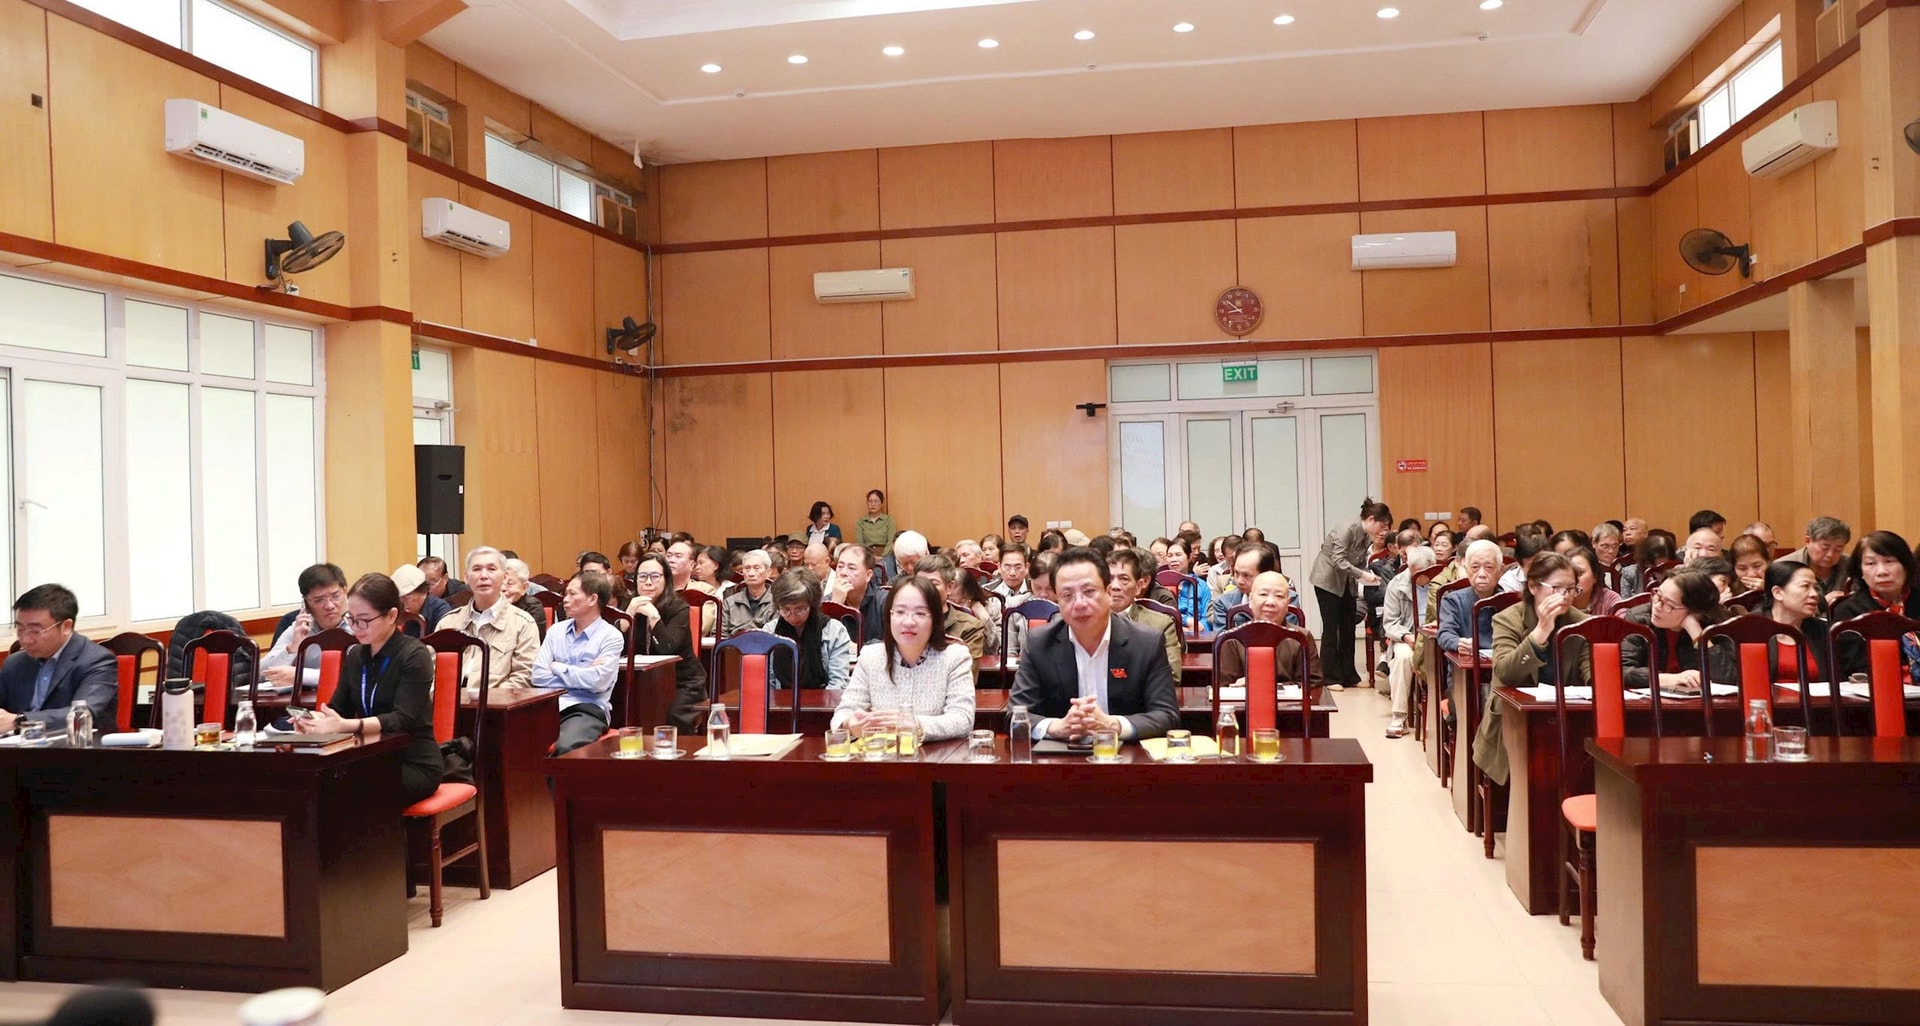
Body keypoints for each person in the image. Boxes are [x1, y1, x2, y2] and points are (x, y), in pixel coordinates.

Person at [296, 573, 443, 803]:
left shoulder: (414, 655)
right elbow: (338, 709)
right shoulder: (356, 655)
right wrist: (312, 720)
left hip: (412, 762)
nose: (356, 627)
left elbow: (401, 719)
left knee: (351, 792)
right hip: (368, 757)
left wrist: (345, 725)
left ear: (391, 615)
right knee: (314, 784)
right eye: (351, 619)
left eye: (364, 620)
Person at [1009, 547, 1180, 742]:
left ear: (1108, 592)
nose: (1079, 603)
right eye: (1067, 595)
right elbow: (1015, 715)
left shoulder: (1146, 642)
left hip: (1126, 755)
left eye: (1089, 592)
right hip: (1061, 754)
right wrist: (1058, 727)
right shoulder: (1039, 643)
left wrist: (1113, 725)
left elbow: (1167, 715)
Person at [1484, 553, 1591, 786]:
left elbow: (1592, 677)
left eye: (1571, 589)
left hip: (1566, 720)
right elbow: (1505, 673)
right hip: (1515, 721)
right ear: (1533, 586)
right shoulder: (1507, 619)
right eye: (1557, 588)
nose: (1565, 596)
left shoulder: (1581, 623)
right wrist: (1541, 631)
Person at [832, 577, 975, 741]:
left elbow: (963, 719)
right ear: (889, 616)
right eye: (900, 612)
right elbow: (842, 714)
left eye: (920, 613)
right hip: (882, 754)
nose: (908, 622)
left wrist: (914, 724)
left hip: (937, 755)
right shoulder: (871, 657)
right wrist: (850, 724)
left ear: (935, 619)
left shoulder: (955, 657)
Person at [0, 584, 116, 735]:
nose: (26, 639)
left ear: (66, 626)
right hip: (17, 745)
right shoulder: (15, 663)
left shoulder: (97, 660)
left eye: (35, 631)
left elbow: (84, 714)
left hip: (75, 745)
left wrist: (20, 721)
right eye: (20, 629)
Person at [533, 571, 626, 756]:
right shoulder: (556, 631)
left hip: (588, 709)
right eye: (565, 594)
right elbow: (538, 676)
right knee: (514, 743)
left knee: (565, 747)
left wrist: (557, 667)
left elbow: (597, 682)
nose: (565, 600)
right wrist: (583, 673)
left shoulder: (610, 636)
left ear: (592, 599)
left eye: (572, 594)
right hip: (550, 706)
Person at [1308, 499, 1390, 692]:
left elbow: (1358, 563)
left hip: (1347, 583)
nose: (1383, 532)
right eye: (1382, 526)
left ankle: (1349, 676)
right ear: (1371, 519)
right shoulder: (1347, 529)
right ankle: (1329, 677)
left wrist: (1368, 575)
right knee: (1331, 628)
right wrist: (1362, 574)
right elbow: (1338, 560)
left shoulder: (1367, 537)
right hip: (1327, 581)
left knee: (1348, 627)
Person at [625, 553, 709, 731]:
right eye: (642, 576)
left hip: (682, 682)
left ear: (666, 580)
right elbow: (614, 648)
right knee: (624, 709)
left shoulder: (678, 608)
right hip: (642, 681)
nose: (648, 582)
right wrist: (627, 617)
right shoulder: (629, 605)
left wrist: (654, 617)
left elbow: (667, 649)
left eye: (655, 576)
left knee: (670, 715)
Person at [1620, 570, 1738, 692]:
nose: (1657, 606)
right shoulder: (1639, 619)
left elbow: (1729, 678)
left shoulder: (1718, 625)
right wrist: (1671, 679)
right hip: (1649, 701)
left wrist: (1696, 632)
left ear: (1696, 612)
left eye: (1669, 605)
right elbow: (1621, 671)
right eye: (1657, 595)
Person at [439, 546, 540, 689]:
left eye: (491, 569)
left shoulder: (523, 623)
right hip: (448, 699)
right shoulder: (448, 622)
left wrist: (484, 698)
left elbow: (524, 676)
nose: (483, 576)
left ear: (504, 577)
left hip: (497, 700)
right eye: (476, 569)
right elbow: (432, 671)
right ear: (466, 578)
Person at [1215, 571, 1322, 691]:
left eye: (1279, 596)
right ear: (1251, 600)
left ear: (1287, 604)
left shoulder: (1301, 637)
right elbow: (1223, 688)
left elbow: (1312, 685)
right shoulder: (1232, 639)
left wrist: (1259, 684)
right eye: (1263, 594)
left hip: (1289, 703)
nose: (1270, 602)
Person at [1831, 530, 1919, 677]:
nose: (1881, 572)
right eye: (1870, 563)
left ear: (1906, 566)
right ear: (1860, 571)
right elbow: (1855, 667)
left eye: (1889, 561)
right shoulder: (1848, 610)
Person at [760, 571, 854, 690]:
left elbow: (838, 684)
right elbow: (768, 684)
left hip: (824, 699)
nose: (793, 616)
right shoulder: (770, 631)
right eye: (785, 610)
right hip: (781, 699)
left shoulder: (834, 631)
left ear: (812, 605)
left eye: (800, 609)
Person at [1378, 546, 1436, 738]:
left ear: (1432, 567)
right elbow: (1390, 623)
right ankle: (1399, 717)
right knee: (1403, 658)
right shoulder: (1397, 584)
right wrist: (1407, 637)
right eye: (1413, 571)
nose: (1416, 576)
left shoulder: (1441, 583)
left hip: (1437, 636)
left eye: (1422, 572)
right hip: (1408, 637)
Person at [262, 563, 351, 688]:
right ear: (306, 603)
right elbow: (261, 673)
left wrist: (301, 675)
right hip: (303, 700)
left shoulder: (361, 624)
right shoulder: (301, 627)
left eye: (335, 596)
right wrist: (293, 648)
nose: (330, 606)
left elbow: (359, 676)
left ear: (345, 592)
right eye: (319, 600)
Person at [1106, 548, 1182, 684]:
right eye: (1109, 579)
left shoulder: (1160, 624)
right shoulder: (1087, 623)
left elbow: (1172, 676)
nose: (1115, 586)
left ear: (1139, 586)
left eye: (1124, 579)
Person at [1763, 560, 1831, 683]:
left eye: (1815, 588)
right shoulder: (1752, 629)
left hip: (1816, 695)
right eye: (1805, 586)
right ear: (1778, 593)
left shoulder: (1821, 631)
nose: (1814, 594)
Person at [1438, 540, 1504, 661]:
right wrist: (1458, 643)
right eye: (1475, 567)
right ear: (1466, 570)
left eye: (1489, 567)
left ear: (1501, 570)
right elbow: (1445, 634)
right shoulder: (1453, 600)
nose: (1482, 574)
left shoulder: (1510, 601)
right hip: (1467, 665)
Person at [913, 555, 988, 661]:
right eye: (920, 583)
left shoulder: (969, 627)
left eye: (933, 584)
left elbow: (966, 669)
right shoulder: (904, 621)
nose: (925, 588)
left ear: (949, 587)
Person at [1778, 516, 1852, 607]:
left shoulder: (1851, 565)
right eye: (1825, 548)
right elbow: (1780, 607)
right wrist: (1822, 603)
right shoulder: (1785, 567)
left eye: (1838, 549)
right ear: (1808, 541)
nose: (1830, 554)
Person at [1208, 540, 1280, 632]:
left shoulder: (1285, 599)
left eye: (1246, 575)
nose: (1239, 581)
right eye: (1236, 573)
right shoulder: (1223, 603)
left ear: (1265, 574)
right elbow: (1222, 639)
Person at [829, 542, 887, 644]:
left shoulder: (884, 601)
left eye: (851, 568)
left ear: (868, 575)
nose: (843, 573)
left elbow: (892, 643)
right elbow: (822, 643)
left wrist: (859, 648)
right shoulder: (826, 602)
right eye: (840, 566)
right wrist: (835, 606)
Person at [720, 549, 777, 637]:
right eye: (747, 568)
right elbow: (719, 634)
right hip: (734, 645)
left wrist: (738, 632)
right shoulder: (729, 602)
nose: (751, 573)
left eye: (756, 568)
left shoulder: (777, 602)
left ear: (768, 572)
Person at [1162, 536, 1211, 627]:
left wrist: (1198, 627)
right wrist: (1186, 621)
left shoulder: (1200, 585)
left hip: (1197, 633)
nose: (1174, 559)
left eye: (1178, 555)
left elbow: (1207, 619)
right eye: (1170, 556)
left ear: (1189, 557)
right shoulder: (1160, 585)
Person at [394, 563, 452, 632]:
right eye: (400, 598)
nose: (404, 602)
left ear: (423, 592)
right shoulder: (399, 610)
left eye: (408, 597)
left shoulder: (441, 610)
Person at [1617, 532, 1675, 599]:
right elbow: (1625, 602)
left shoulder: (1677, 572)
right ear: (1646, 561)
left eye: (1665, 565)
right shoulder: (1630, 573)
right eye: (1657, 566)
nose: (1661, 569)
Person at [1567, 547, 1622, 617]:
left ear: (1594, 576)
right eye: (1569, 574)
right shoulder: (1559, 600)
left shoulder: (1609, 598)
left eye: (1579, 573)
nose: (1574, 579)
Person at [504, 558, 548, 640]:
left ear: (524, 587)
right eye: (500, 583)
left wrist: (505, 608)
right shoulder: (490, 604)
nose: (503, 588)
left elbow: (526, 641)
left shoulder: (533, 607)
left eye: (510, 584)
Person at [857, 490, 899, 557]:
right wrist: (868, 558)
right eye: (870, 501)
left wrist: (883, 557)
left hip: (886, 555)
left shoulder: (888, 520)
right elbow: (860, 544)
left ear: (882, 504)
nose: (873, 504)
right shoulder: (861, 521)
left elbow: (891, 541)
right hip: (867, 555)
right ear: (867, 503)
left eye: (876, 501)